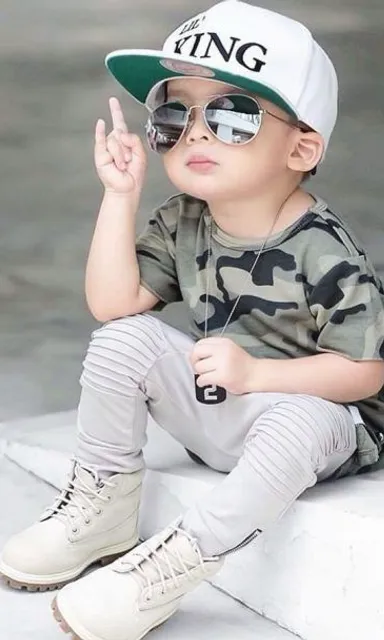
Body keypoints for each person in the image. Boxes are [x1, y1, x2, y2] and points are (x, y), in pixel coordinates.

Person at [2, 1, 384, 639]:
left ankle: (176, 563)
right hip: (224, 407)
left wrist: (258, 375)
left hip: (314, 431)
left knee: (305, 413)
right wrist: (120, 198)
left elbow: (365, 375)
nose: (197, 133)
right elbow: (114, 305)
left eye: (233, 115)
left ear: (302, 147)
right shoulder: (184, 218)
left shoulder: (326, 250)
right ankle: (104, 504)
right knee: (123, 338)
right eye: (174, 115)